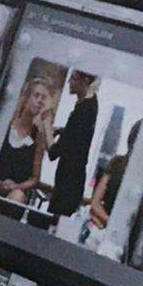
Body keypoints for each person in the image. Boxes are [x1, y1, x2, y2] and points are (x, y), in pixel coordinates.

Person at [0, 76, 57, 202]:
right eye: (36, 95)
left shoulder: (38, 137)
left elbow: (34, 178)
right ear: (26, 98)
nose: (40, 101)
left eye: (43, 98)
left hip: (15, 193)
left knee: (17, 197)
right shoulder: (5, 125)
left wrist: (15, 187)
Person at [47, 71, 102, 218]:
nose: (68, 82)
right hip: (74, 176)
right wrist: (63, 131)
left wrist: (45, 126)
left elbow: (54, 153)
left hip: (68, 181)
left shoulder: (83, 111)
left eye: (73, 78)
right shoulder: (91, 103)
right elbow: (78, 132)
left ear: (84, 81)